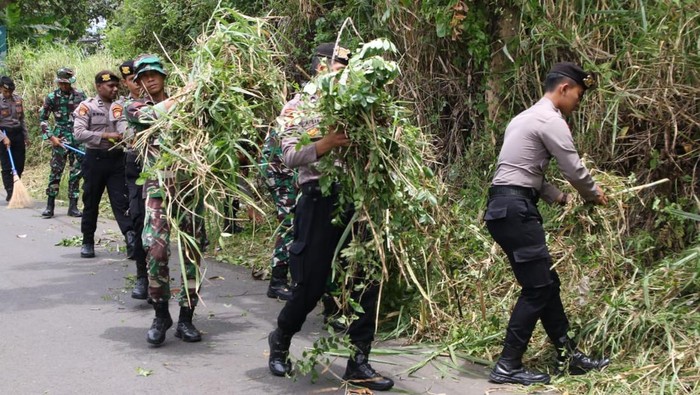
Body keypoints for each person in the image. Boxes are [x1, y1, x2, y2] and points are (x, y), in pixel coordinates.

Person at [267, 43, 394, 392]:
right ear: (322, 67)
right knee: (311, 284)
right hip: (319, 199)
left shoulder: (359, 103)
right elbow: (290, 156)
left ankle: (359, 362)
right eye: (343, 62)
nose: (349, 68)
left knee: (366, 280)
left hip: (358, 197)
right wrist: (327, 143)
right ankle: (280, 338)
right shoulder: (296, 107)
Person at [484, 62, 610, 385]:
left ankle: (569, 356)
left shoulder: (523, 118)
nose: (577, 104)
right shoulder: (551, 120)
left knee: (546, 284)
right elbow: (573, 168)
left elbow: (525, 174)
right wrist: (594, 194)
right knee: (537, 287)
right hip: (516, 210)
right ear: (564, 88)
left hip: (503, 208)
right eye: (578, 96)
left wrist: (562, 199)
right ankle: (507, 364)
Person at [125, 54, 203, 346]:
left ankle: (186, 318)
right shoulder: (133, 107)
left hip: (188, 190)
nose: (150, 79)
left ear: (164, 77)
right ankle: (161, 314)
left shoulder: (189, 107)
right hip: (157, 190)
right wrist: (189, 93)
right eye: (144, 76)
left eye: (155, 74)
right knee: (155, 251)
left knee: (191, 256)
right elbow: (154, 115)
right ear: (139, 82)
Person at [73, 71, 134, 260]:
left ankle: (131, 240)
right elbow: (79, 133)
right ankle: (87, 241)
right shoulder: (87, 106)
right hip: (95, 160)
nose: (115, 89)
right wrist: (106, 136)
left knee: (122, 202)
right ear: (99, 87)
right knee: (91, 201)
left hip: (117, 160)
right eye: (110, 86)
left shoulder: (122, 106)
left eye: (117, 86)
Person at [112, 59, 148, 299]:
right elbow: (126, 134)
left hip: (168, 167)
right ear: (126, 82)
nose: (137, 83)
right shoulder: (121, 106)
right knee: (139, 219)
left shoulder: (165, 98)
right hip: (137, 165)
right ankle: (143, 276)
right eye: (132, 80)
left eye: (140, 77)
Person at [260, 94, 301, 301]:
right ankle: (277, 281)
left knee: (295, 224)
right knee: (289, 224)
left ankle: (292, 277)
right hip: (280, 171)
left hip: (284, 170)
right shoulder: (300, 104)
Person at [39, 67, 87, 218]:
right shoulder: (52, 97)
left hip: (78, 138)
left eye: (66, 83)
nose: (64, 86)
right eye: (61, 83)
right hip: (60, 138)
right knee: (56, 171)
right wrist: (51, 137)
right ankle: (50, 206)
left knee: (76, 172)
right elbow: (43, 119)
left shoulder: (80, 95)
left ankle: (73, 206)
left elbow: (87, 116)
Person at [0, 76, 29, 201]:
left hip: (18, 134)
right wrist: (3, 137)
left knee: (19, 164)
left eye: (10, 92)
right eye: (6, 91)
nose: (8, 94)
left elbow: (22, 119)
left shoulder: (18, 99)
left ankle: (16, 185)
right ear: (1, 89)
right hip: (4, 133)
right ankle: (10, 192)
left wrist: (26, 136)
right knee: (7, 165)